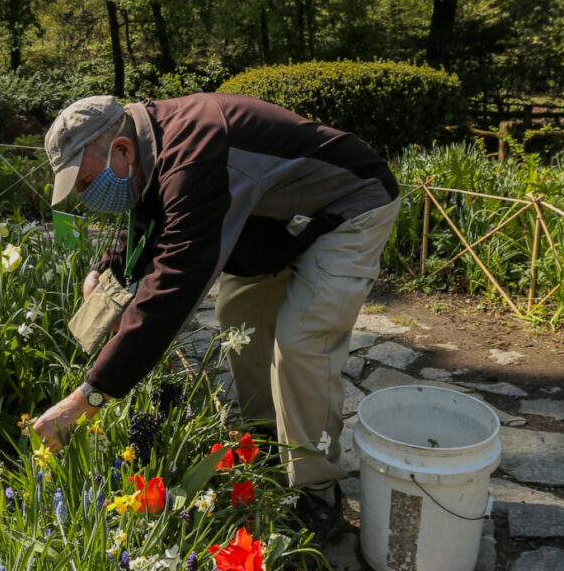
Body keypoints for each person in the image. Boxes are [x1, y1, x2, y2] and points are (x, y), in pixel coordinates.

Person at [30, 92, 401, 538]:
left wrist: (88, 397)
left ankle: (316, 489)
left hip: (346, 207)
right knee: (238, 316)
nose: (88, 197)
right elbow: (154, 217)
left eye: (87, 182)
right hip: (278, 226)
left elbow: (175, 284)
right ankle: (268, 440)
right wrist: (107, 268)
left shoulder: (195, 151)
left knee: (302, 342)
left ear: (122, 150)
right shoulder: (153, 143)